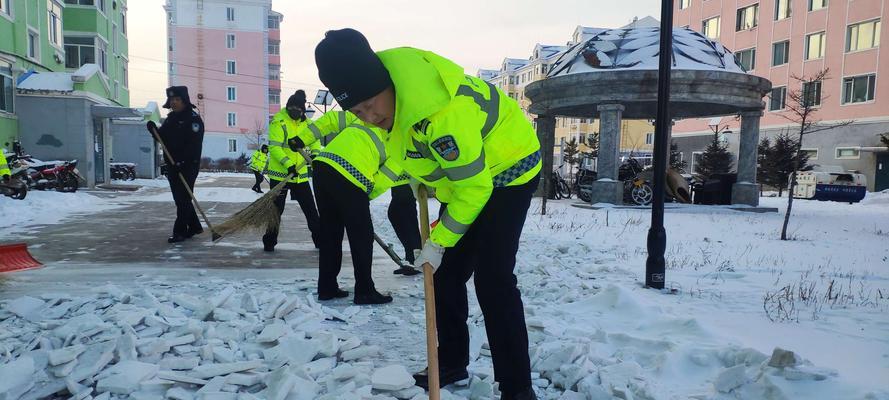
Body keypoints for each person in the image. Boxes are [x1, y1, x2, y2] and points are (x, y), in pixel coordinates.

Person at [315, 29, 541, 399]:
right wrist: (408, 181)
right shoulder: (396, 106)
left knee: (493, 279)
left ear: (386, 84)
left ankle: (518, 388)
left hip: (510, 168)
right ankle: (451, 362)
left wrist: (439, 240)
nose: (369, 116)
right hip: (470, 177)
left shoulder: (439, 114)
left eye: (371, 104)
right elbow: (407, 154)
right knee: (447, 274)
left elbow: (475, 188)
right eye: (358, 111)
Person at [290, 109, 406, 305]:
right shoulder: (401, 142)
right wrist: (364, 195)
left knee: (331, 234)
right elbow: (385, 177)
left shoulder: (367, 115)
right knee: (362, 236)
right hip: (351, 175)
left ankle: (326, 288)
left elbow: (330, 119)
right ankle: (364, 291)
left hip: (323, 168)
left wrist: (302, 138)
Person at [264, 90, 321, 252]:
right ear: (288, 107)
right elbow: (274, 147)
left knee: (310, 209)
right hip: (281, 175)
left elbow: (315, 143)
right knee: (276, 211)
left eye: (298, 108)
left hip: (300, 177)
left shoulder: (307, 124)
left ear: (303, 110)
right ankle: (269, 241)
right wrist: (288, 164)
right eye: (292, 108)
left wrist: (315, 157)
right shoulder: (279, 122)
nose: (295, 111)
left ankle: (320, 240)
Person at [146, 86, 205, 243]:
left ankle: (179, 231)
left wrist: (183, 161)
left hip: (188, 165)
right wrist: (154, 131)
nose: (174, 102)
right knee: (180, 199)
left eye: (177, 99)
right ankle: (194, 226)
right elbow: (163, 139)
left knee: (183, 198)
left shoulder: (193, 119)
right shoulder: (171, 119)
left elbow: (194, 145)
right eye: (172, 100)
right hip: (172, 164)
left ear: (185, 100)